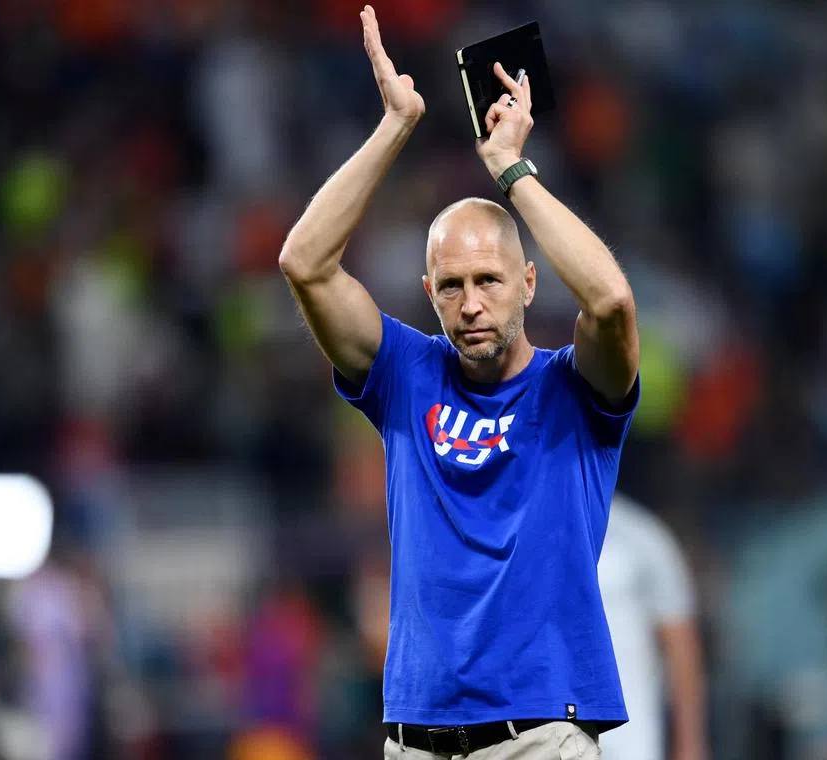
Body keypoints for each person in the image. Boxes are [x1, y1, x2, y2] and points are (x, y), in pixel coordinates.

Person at [278, 6, 641, 759]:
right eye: (450, 285)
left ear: (529, 282)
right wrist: (395, 127)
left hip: (540, 734)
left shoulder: (577, 392)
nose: (470, 303)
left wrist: (512, 172)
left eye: (488, 280)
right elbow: (304, 263)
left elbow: (610, 301)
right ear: (428, 291)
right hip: (417, 739)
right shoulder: (405, 375)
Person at [596, 494, 707, 760]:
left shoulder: (639, 533)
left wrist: (690, 743)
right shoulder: (519, 523)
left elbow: (680, 641)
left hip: (630, 735)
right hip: (548, 727)